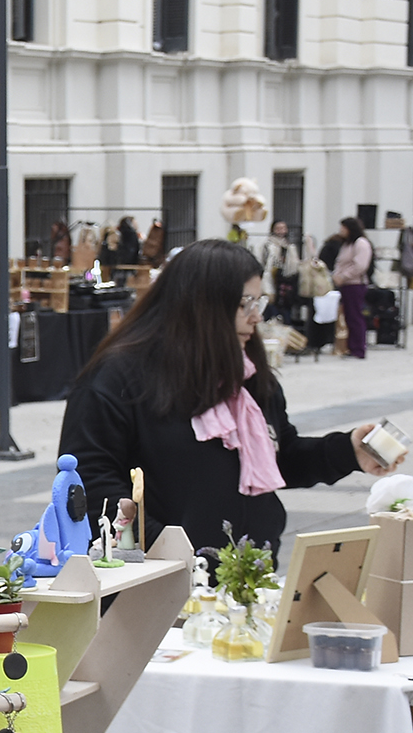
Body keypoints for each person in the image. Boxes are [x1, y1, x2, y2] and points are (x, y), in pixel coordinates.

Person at [59, 238, 400, 557]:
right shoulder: (119, 378)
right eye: (244, 304)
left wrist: (347, 451)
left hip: (248, 572)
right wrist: (166, 552)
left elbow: (277, 457)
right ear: (200, 306)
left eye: (258, 302)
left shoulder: (246, 374)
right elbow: (91, 484)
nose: (257, 316)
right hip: (163, 579)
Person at [331, 216, 374, 359]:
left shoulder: (360, 243)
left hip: (355, 284)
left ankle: (358, 348)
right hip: (345, 284)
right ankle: (350, 346)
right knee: (348, 317)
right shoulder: (346, 244)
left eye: (343, 228)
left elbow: (360, 265)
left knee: (355, 316)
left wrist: (343, 276)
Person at [260, 221, 300, 322]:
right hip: (271, 279)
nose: (281, 231)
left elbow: (295, 264)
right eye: (278, 228)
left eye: (283, 228)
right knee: (271, 307)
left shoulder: (290, 247)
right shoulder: (267, 245)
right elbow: (263, 262)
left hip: (286, 282)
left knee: (285, 310)